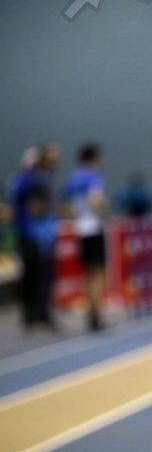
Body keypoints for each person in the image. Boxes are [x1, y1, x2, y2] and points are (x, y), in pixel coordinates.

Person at [11, 142, 61, 331]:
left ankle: (41, 315)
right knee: (34, 276)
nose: (56, 160)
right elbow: (34, 207)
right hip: (32, 235)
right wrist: (50, 208)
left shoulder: (43, 179)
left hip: (44, 235)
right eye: (52, 155)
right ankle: (34, 317)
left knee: (44, 276)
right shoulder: (30, 180)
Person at [62, 143, 108, 331]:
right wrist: (102, 212)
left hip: (80, 229)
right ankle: (96, 314)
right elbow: (95, 198)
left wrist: (75, 217)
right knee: (98, 273)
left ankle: (90, 312)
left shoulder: (73, 178)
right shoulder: (93, 176)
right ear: (94, 159)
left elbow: (64, 204)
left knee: (88, 273)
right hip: (94, 228)